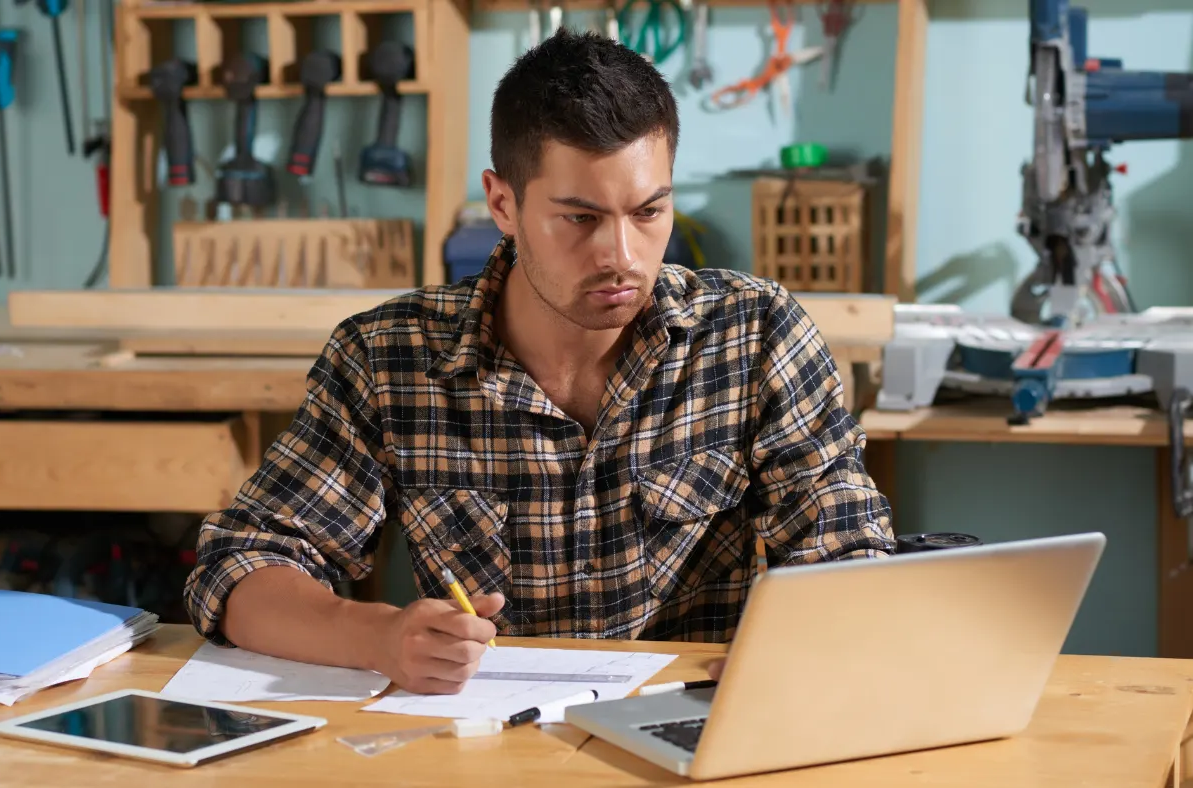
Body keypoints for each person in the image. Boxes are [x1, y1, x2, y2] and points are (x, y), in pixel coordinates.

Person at [183, 28, 894, 695]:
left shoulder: (755, 333)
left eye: (648, 212)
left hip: (693, 731)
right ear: (502, 202)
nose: (621, 255)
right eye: (580, 218)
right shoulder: (388, 358)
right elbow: (238, 567)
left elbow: (848, 556)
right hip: (489, 744)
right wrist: (380, 636)